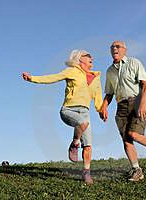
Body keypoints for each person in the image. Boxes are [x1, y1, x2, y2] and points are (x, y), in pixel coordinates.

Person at [22, 49, 102, 184]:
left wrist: (101, 110)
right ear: (80, 59)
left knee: (88, 145)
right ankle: (75, 143)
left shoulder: (96, 78)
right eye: (87, 56)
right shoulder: (72, 71)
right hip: (68, 110)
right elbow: (53, 78)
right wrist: (32, 78)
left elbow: (98, 97)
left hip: (85, 111)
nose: (91, 58)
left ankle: (86, 172)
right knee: (83, 123)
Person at [100, 41, 146, 182]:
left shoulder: (134, 63)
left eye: (118, 47)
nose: (114, 49)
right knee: (126, 140)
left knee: (133, 134)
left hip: (137, 101)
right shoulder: (110, 71)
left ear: (124, 50)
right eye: (112, 47)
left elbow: (145, 84)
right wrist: (104, 106)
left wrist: (143, 103)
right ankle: (136, 170)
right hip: (121, 106)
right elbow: (109, 93)